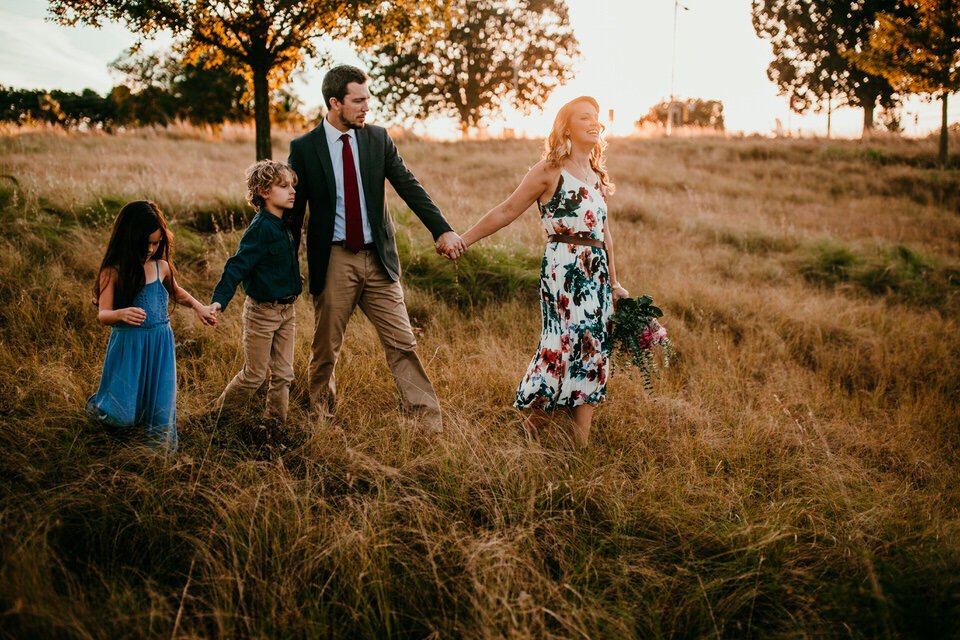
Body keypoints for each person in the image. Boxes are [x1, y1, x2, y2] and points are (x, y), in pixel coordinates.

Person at [287, 64, 464, 433]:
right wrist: (284, 267)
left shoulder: (377, 140)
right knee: (325, 349)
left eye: (368, 99)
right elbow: (292, 212)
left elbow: (409, 186)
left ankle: (428, 422)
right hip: (334, 259)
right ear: (335, 103)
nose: (367, 107)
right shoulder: (303, 149)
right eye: (359, 100)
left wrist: (442, 229)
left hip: (378, 260)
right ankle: (320, 419)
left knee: (402, 342)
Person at [457, 96, 629, 448]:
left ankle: (580, 446)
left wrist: (614, 282)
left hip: (595, 274)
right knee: (564, 346)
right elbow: (506, 211)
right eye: (584, 117)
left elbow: (605, 234)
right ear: (566, 126)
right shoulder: (549, 170)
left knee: (593, 349)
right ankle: (530, 433)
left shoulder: (597, 176)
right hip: (564, 269)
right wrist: (463, 240)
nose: (594, 123)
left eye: (596, 117)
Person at [86, 200, 218, 451]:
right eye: (145, 242)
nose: (150, 248)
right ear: (128, 238)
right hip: (130, 346)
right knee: (122, 412)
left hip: (160, 343)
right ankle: (101, 411)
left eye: (156, 243)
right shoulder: (113, 271)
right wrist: (120, 314)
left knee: (158, 405)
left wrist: (200, 307)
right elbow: (103, 314)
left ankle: (152, 451)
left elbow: (177, 293)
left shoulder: (162, 267)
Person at [210, 160, 302, 424]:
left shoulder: (284, 223)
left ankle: (274, 425)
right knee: (254, 375)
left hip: (287, 311)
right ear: (263, 191)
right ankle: (217, 418)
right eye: (283, 186)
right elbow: (236, 266)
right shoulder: (260, 228)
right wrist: (219, 301)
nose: (291, 191)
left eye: (292, 186)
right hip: (262, 313)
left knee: (284, 374)